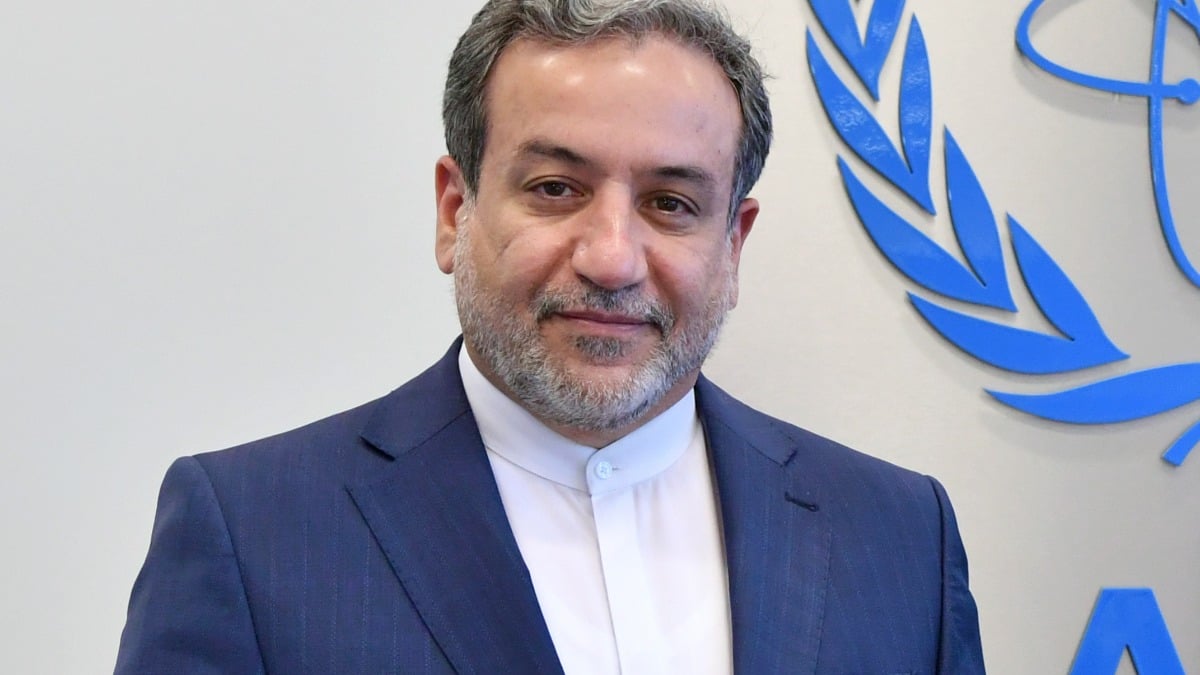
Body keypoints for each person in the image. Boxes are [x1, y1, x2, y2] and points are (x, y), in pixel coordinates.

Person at [116, 0, 985, 672]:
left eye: (670, 204)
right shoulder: (251, 533)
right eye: (556, 189)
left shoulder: (900, 537)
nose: (612, 258)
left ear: (733, 245)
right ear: (454, 211)